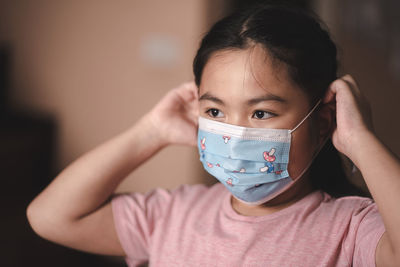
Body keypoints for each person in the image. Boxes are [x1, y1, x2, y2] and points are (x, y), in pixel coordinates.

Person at [26, 3, 400, 266]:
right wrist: (150, 132)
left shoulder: (351, 229)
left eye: (260, 112)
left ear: (321, 123)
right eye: (215, 111)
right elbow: (50, 217)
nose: (235, 133)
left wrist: (359, 141)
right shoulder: (173, 215)